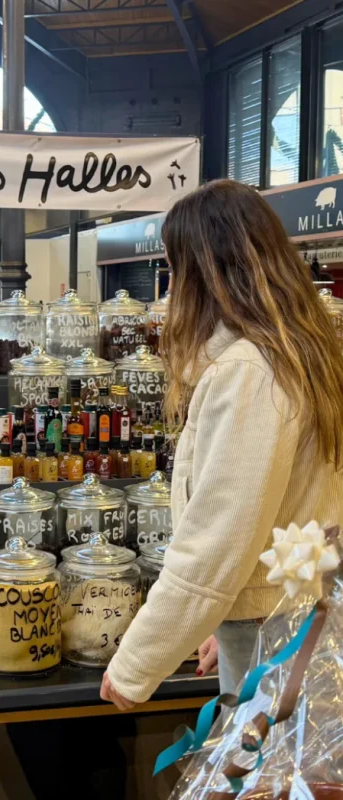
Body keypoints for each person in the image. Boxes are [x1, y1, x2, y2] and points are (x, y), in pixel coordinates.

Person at [101, 179, 343, 709]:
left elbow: (219, 535)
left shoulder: (249, 371)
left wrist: (138, 662)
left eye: (174, 270)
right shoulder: (299, 354)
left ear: (206, 273)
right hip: (290, 616)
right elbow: (310, 514)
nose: (168, 291)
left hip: (271, 633)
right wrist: (223, 615)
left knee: (266, 783)